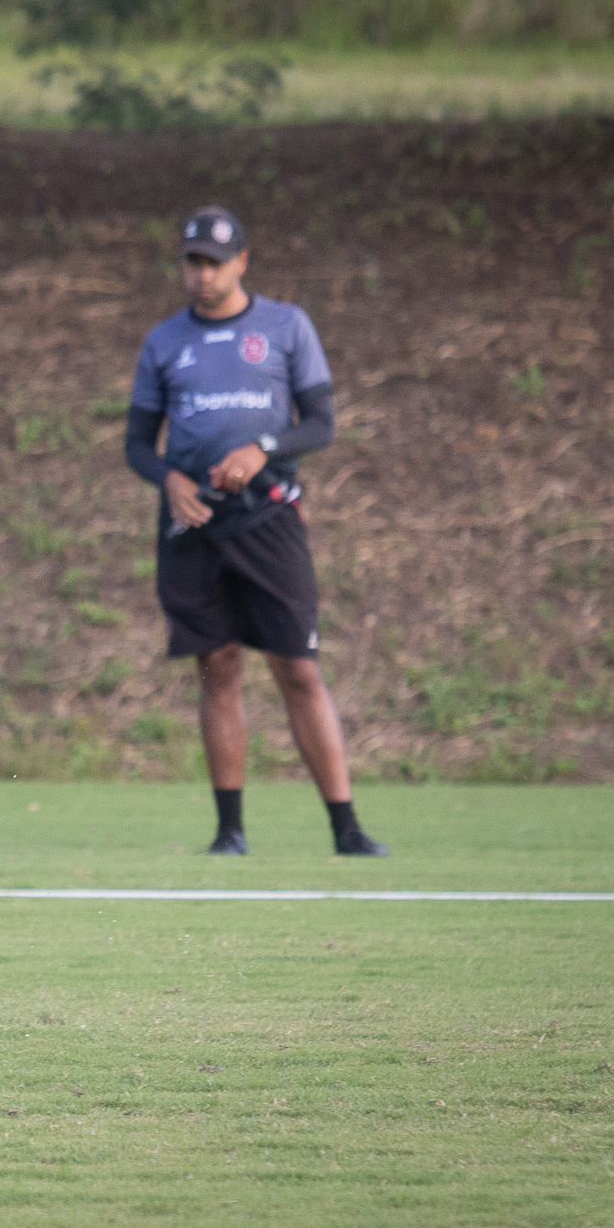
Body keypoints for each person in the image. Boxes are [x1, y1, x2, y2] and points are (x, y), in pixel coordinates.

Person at [123, 206, 388, 858]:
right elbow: (136, 443)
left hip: (269, 518)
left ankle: (346, 825)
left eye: (215, 261)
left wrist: (263, 447)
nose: (203, 273)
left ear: (242, 261)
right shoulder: (164, 340)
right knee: (218, 667)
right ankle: (230, 830)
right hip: (195, 522)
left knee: (298, 667)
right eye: (193, 261)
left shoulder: (285, 325)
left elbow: (320, 423)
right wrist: (169, 480)